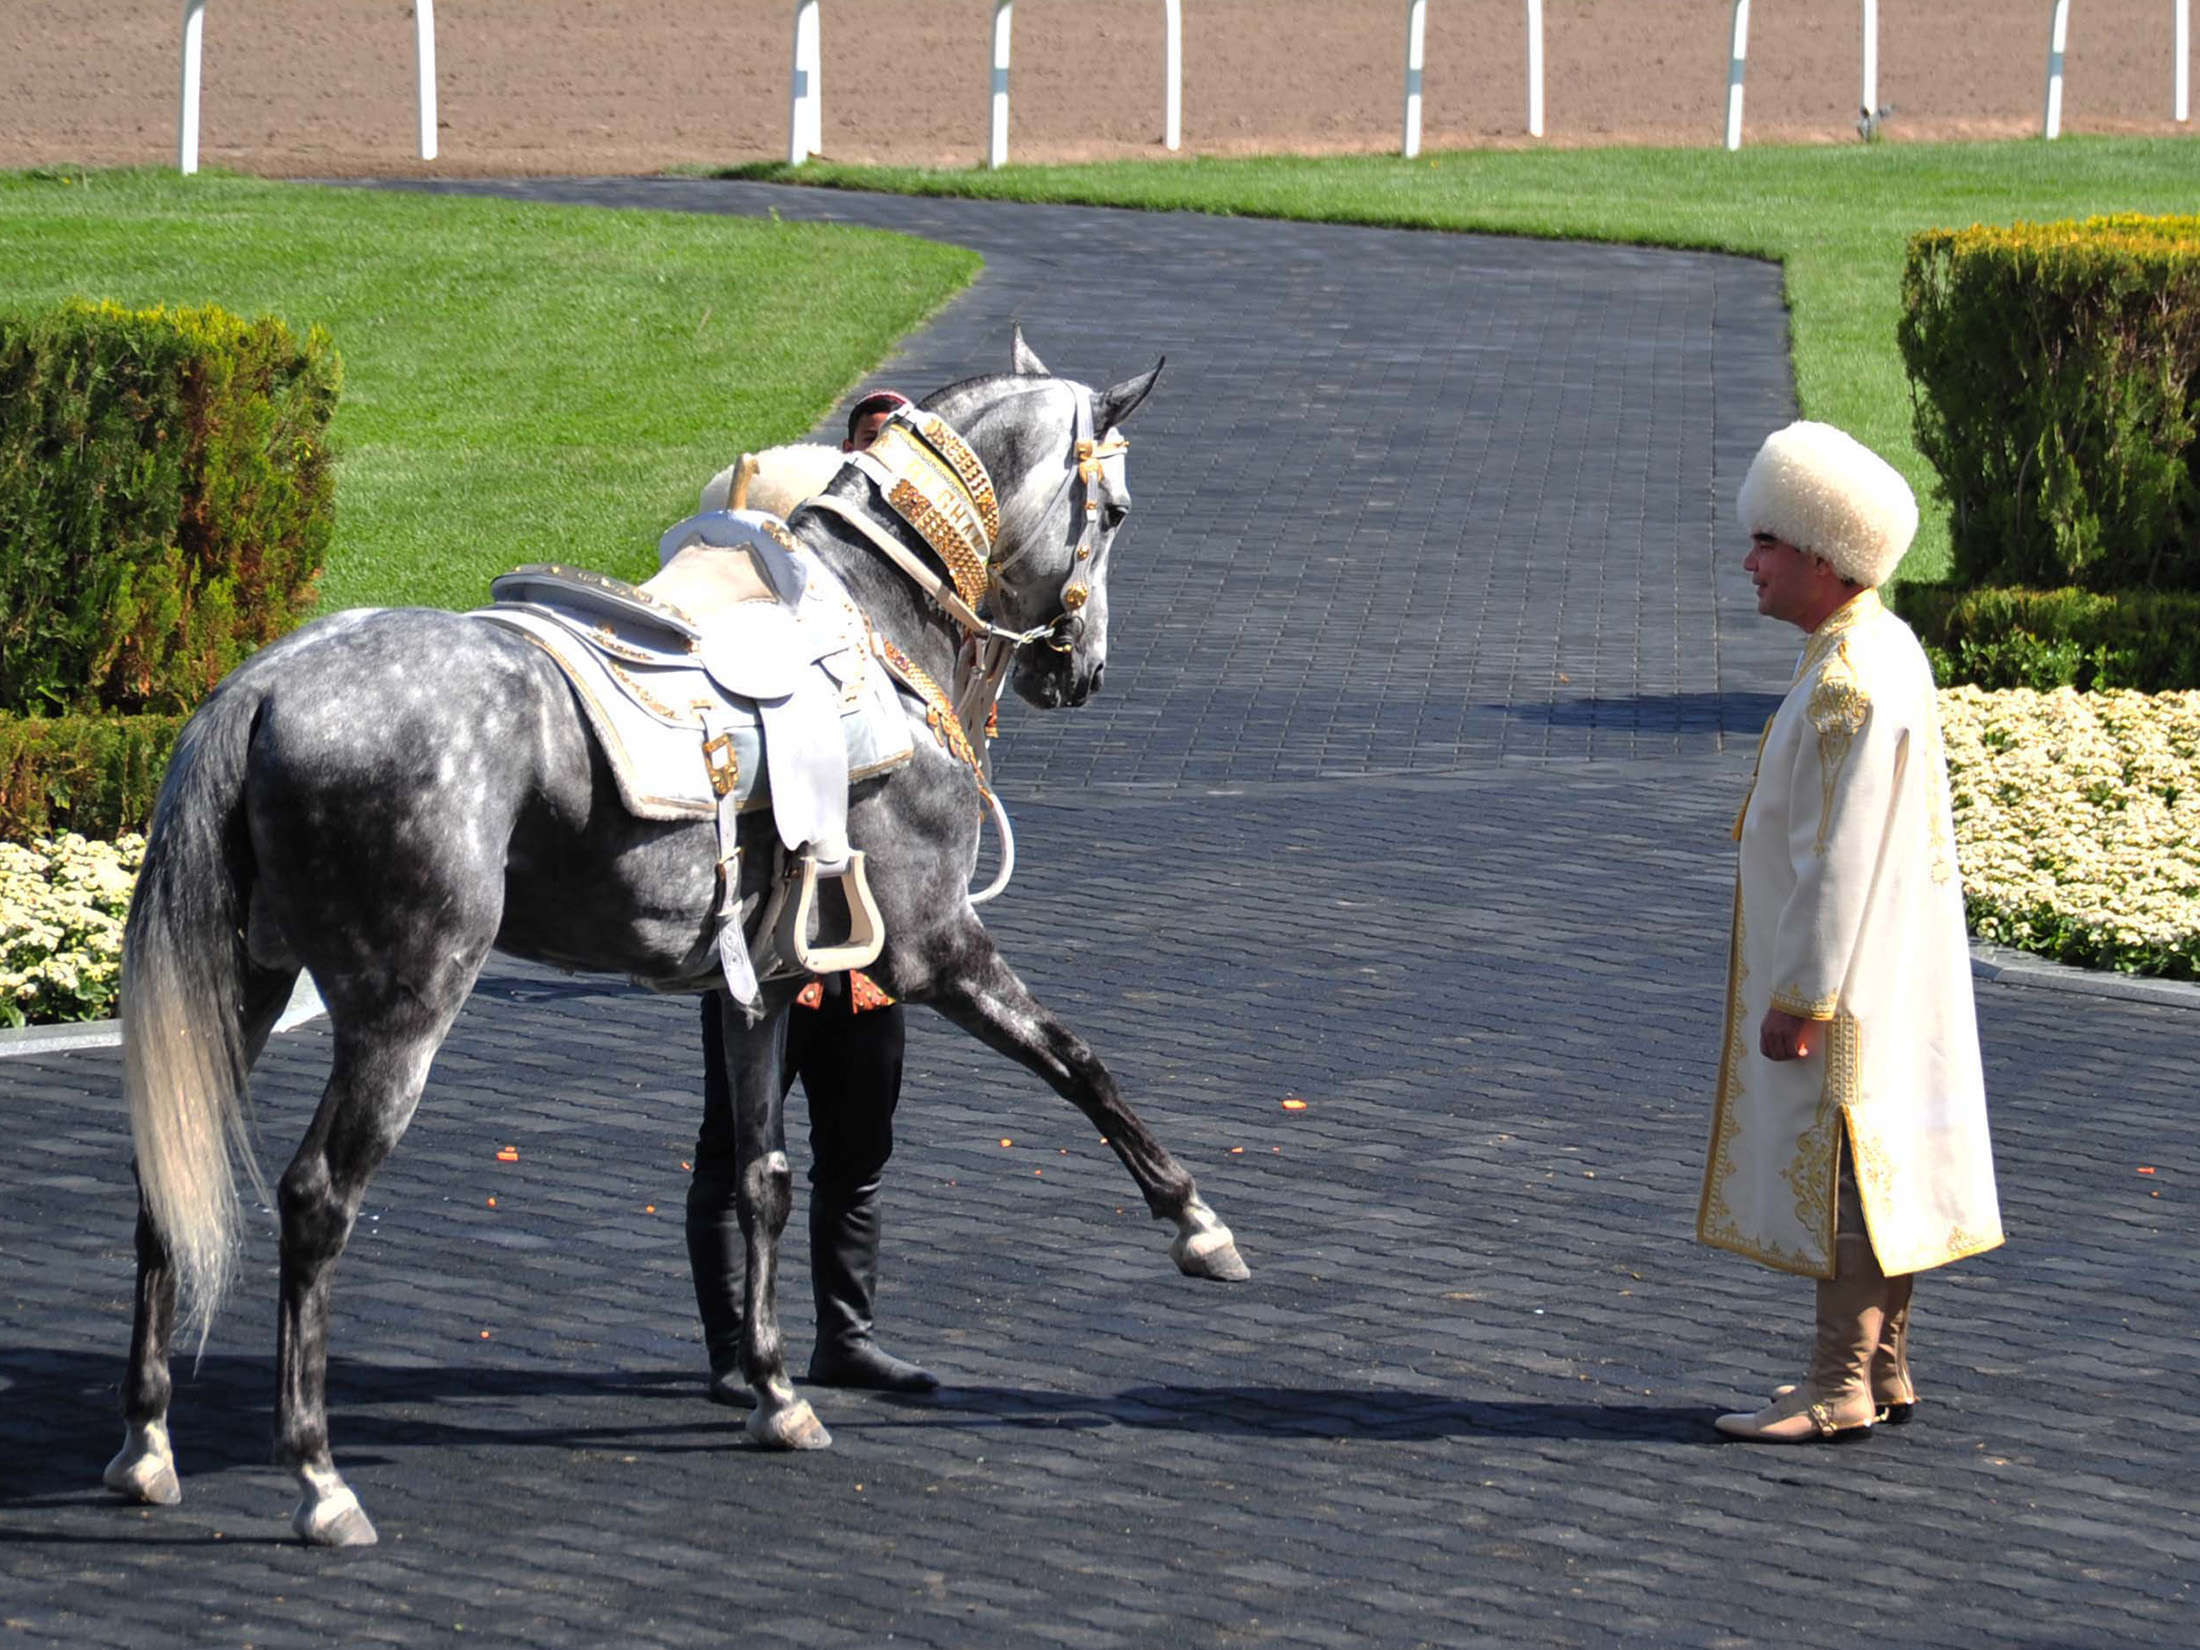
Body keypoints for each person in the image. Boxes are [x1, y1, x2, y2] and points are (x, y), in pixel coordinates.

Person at [1696, 419, 2004, 1444]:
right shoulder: (1882, 646)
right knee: (1879, 1164)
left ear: (1822, 560)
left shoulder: (1846, 680)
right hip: (1895, 966)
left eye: (1765, 545)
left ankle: (1836, 1385)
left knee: (1845, 1169)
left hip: (1849, 983)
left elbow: (1834, 860)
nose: (1748, 563)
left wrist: (1800, 998)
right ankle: (1882, 1366)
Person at [686, 387, 939, 1404]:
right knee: (736, 1141)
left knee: (860, 1140)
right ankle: (728, 1354)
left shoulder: (899, 656)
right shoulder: (746, 652)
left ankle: (844, 1335)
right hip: (760, 944)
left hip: (864, 951)